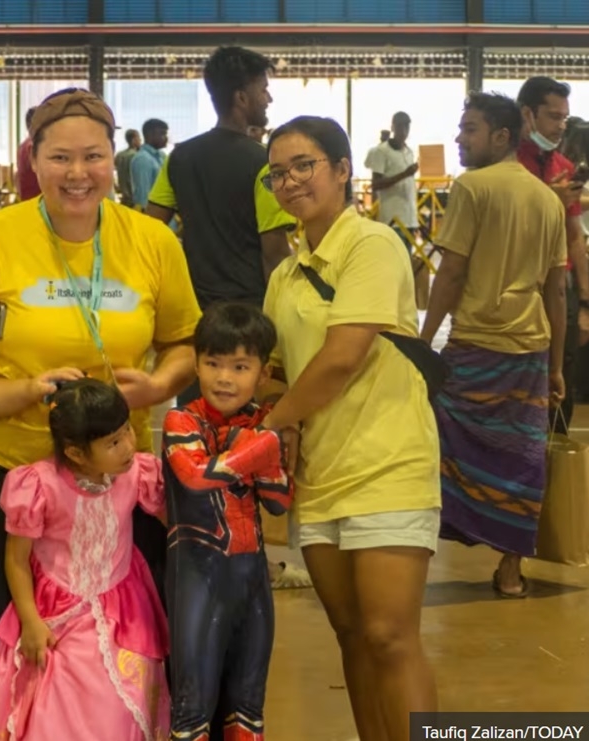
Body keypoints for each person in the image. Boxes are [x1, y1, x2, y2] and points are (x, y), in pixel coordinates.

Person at [0, 88, 200, 741]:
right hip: (6, 478)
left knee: (126, 659)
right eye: (61, 157)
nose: (79, 173)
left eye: (94, 157)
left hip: (116, 491)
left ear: (115, 159)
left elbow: (186, 343)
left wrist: (158, 383)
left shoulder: (153, 241)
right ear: (34, 160)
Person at [260, 116, 440, 741]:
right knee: (352, 636)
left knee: (391, 636)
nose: (289, 181)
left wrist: (271, 426)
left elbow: (343, 355)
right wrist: (271, 399)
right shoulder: (285, 275)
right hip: (319, 475)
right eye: (278, 172)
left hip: (388, 463)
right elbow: (277, 367)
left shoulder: (372, 244)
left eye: (303, 165)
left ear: (342, 170)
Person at [421, 93, 567, 599]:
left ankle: (414, 554)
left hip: (476, 344)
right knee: (523, 458)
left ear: (502, 137)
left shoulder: (472, 188)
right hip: (530, 351)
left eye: (470, 129)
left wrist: (423, 340)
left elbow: (452, 271)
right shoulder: (548, 199)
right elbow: (556, 291)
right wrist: (556, 365)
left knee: (438, 445)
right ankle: (510, 570)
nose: (460, 139)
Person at [0, 378, 170, 741]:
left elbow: (174, 521)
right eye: (113, 442)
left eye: (127, 431)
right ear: (76, 453)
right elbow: (16, 561)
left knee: (120, 711)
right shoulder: (38, 486)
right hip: (55, 621)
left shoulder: (137, 474)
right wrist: (31, 623)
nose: (128, 446)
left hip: (124, 618)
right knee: (52, 715)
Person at [163, 302, 293, 741]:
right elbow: (196, 477)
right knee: (191, 710)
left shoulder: (258, 423)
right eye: (213, 363)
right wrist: (265, 444)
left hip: (252, 579)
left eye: (240, 366)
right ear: (196, 364)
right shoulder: (182, 419)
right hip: (198, 577)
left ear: (262, 371)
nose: (224, 377)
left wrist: (262, 443)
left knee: (248, 708)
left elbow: (279, 500)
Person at [146, 47, 292, 315]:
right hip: (249, 310)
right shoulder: (263, 163)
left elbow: (149, 230)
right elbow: (275, 255)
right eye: (263, 89)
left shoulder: (179, 157)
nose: (268, 98)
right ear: (241, 98)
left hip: (194, 307)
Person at [516, 76, 589, 431]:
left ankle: (559, 471)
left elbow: (575, 237)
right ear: (527, 114)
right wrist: (549, 199)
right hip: (521, 288)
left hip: (562, 289)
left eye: (564, 118)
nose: (560, 126)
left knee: (562, 382)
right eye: (553, 117)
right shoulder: (508, 166)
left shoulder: (563, 166)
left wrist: (586, 302)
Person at [364, 111, 419, 244]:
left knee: (408, 260)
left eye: (407, 127)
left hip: (410, 219)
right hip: (392, 219)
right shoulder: (381, 151)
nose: (404, 131)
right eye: (400, 126)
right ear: (393, 127)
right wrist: (404, 174)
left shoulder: (409, 152)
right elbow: (376, 184)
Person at [130, 118, 169, 209]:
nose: (166, 138)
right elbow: (143, 197)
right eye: (163, 134)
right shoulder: (142, 159)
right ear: (150, 135)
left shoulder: (162, 156)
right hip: (153, 214)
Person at [15, 107, 40, 201]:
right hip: (38, 201)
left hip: (27, 199)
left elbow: (17, 177)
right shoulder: (35, 145)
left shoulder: (22, 147)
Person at [114, 128, 140, 205]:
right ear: (133, 140)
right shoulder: (136, 156)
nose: (140, 141)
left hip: (124, 197)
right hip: (133, 199)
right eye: (139, 138)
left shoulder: (119, 155)